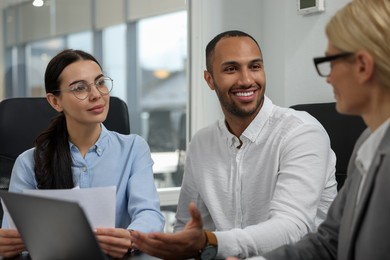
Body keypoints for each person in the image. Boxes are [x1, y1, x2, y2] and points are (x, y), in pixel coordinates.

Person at [130, 30, 337, 259]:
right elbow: (186, 230)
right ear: (209, 80)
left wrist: (211, 242)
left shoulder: (301, 132)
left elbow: (291, 227)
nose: (247, 80)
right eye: (231, 69)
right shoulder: (202, 143)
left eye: (255, 67)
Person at [229, 0, 390, 259]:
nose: (328, 78)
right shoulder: (367, 142)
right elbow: (330, 242)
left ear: (362, 65)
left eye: (330, 62)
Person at [0, 49, 165, 259]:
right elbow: (14, 236)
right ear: (55, 102)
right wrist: (7, 247)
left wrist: (131, 237)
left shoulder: (133, 149)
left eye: (100, 82)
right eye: (80, 88)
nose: (96, 94)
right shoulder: (28, 162)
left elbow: (149, 213)